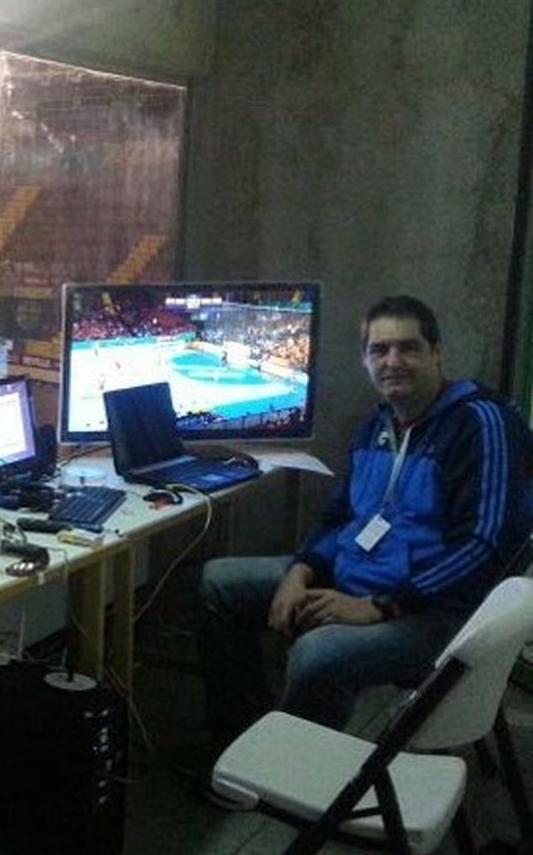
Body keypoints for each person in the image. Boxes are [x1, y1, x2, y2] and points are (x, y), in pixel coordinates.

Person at [195, 294, 533, 755]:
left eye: (408, 347)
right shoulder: (379, 424)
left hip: (441, 610)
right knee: (220, 582)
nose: (393, 361)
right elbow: (341, 515)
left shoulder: (481, 422)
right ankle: (241, 740)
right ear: (365, 360)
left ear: (437, 353)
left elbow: (481, 546)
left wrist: (380, 606)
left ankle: (292, 768)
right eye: (379, 350)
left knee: (318, 656)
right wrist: (302, 569)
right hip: (365, 577)